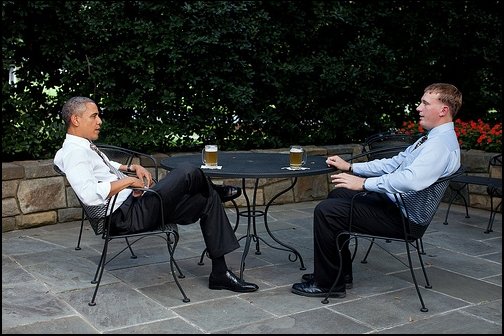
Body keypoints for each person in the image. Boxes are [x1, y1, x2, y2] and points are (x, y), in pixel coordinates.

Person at [54, 96, 259, 293]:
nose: (99, 121)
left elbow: (104, 167)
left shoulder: (77, 147)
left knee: (207, 200)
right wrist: (129, 181)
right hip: (125, 217)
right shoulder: (75, 153)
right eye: (94, 116)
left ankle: (220, 273)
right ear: (76, 119)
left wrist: (132, 167)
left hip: (135, 206)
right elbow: (89, 194)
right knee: (186, 170)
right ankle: (214, 188)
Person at [291, 83, 462, 298]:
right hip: (397, 205)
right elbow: (396, 163)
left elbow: (410, 180)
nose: (418, 107)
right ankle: (339, 273)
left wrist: (362, 183)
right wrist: (352, 167)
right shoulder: (434, 138)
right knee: (338, 195)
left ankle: (328, 285)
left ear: (443, 110)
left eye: (425, 103)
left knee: (327, 211)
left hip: (404, 218)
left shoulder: (439, 145)